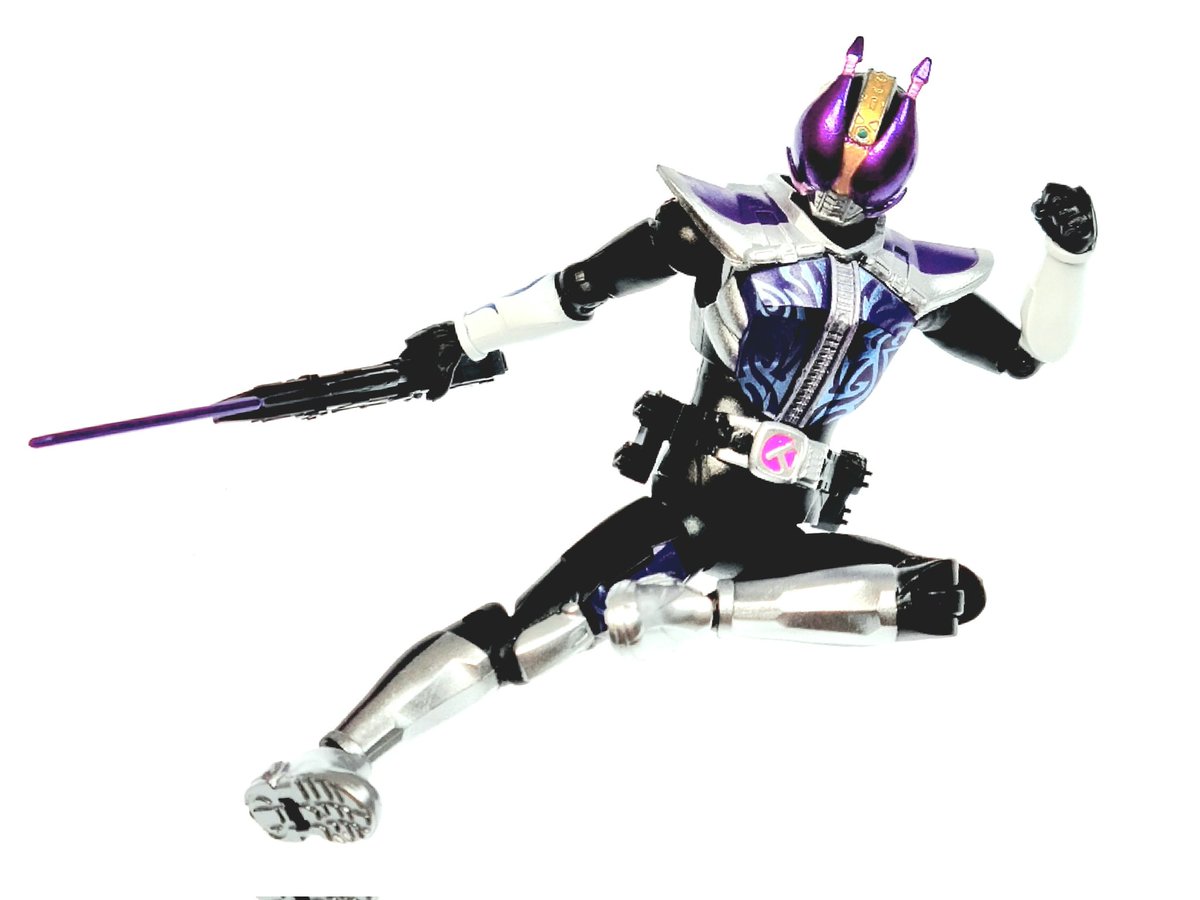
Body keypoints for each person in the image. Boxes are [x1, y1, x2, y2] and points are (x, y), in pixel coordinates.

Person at [244, 36, 1097, 843]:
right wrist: (462, 340)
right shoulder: (728, 229)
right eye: (827, 184)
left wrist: (1067, 262)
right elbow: (582, 287)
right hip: (689, 504)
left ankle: (686, 611)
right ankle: (336, 757)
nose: (835, 201)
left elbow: (1025, 355)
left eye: (854, 191)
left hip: (779, 538)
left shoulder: (911, 279)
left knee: (942, 596)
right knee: (520, 640)